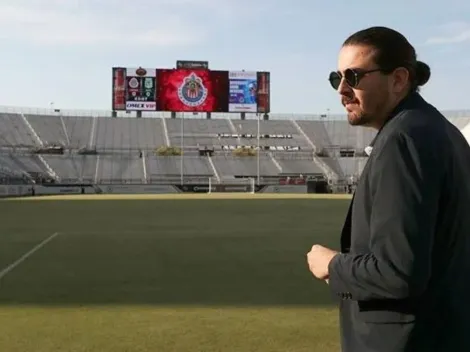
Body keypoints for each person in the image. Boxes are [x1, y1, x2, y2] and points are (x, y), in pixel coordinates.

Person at [306, 26, 470, 351]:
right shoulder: (441, 132)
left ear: (398, 80)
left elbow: (397, 272)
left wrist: (332, 265)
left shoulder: (404, 139)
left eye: (353, 76)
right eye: (335, 77)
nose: (341, 90)